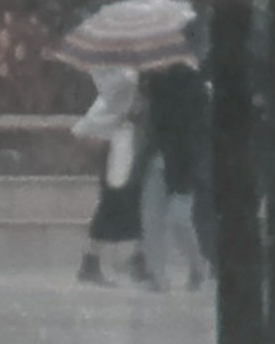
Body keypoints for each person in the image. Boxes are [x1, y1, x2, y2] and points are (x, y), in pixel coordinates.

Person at [138, 44, 211, 294]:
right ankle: (158, 276)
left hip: (184, 164)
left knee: (178, 219)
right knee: (151, 218)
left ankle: (198, 266)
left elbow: (195, 128)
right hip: (159, 159)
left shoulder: (189, 84)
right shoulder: (153, 84)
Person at [76, 62, 146, 287]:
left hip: (127, 146)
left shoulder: (126, 77)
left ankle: (133, 258)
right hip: (119, 148)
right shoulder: (126, 78)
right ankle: (94, 261)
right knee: (113, 204)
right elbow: (112, 111)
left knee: (134, 202)